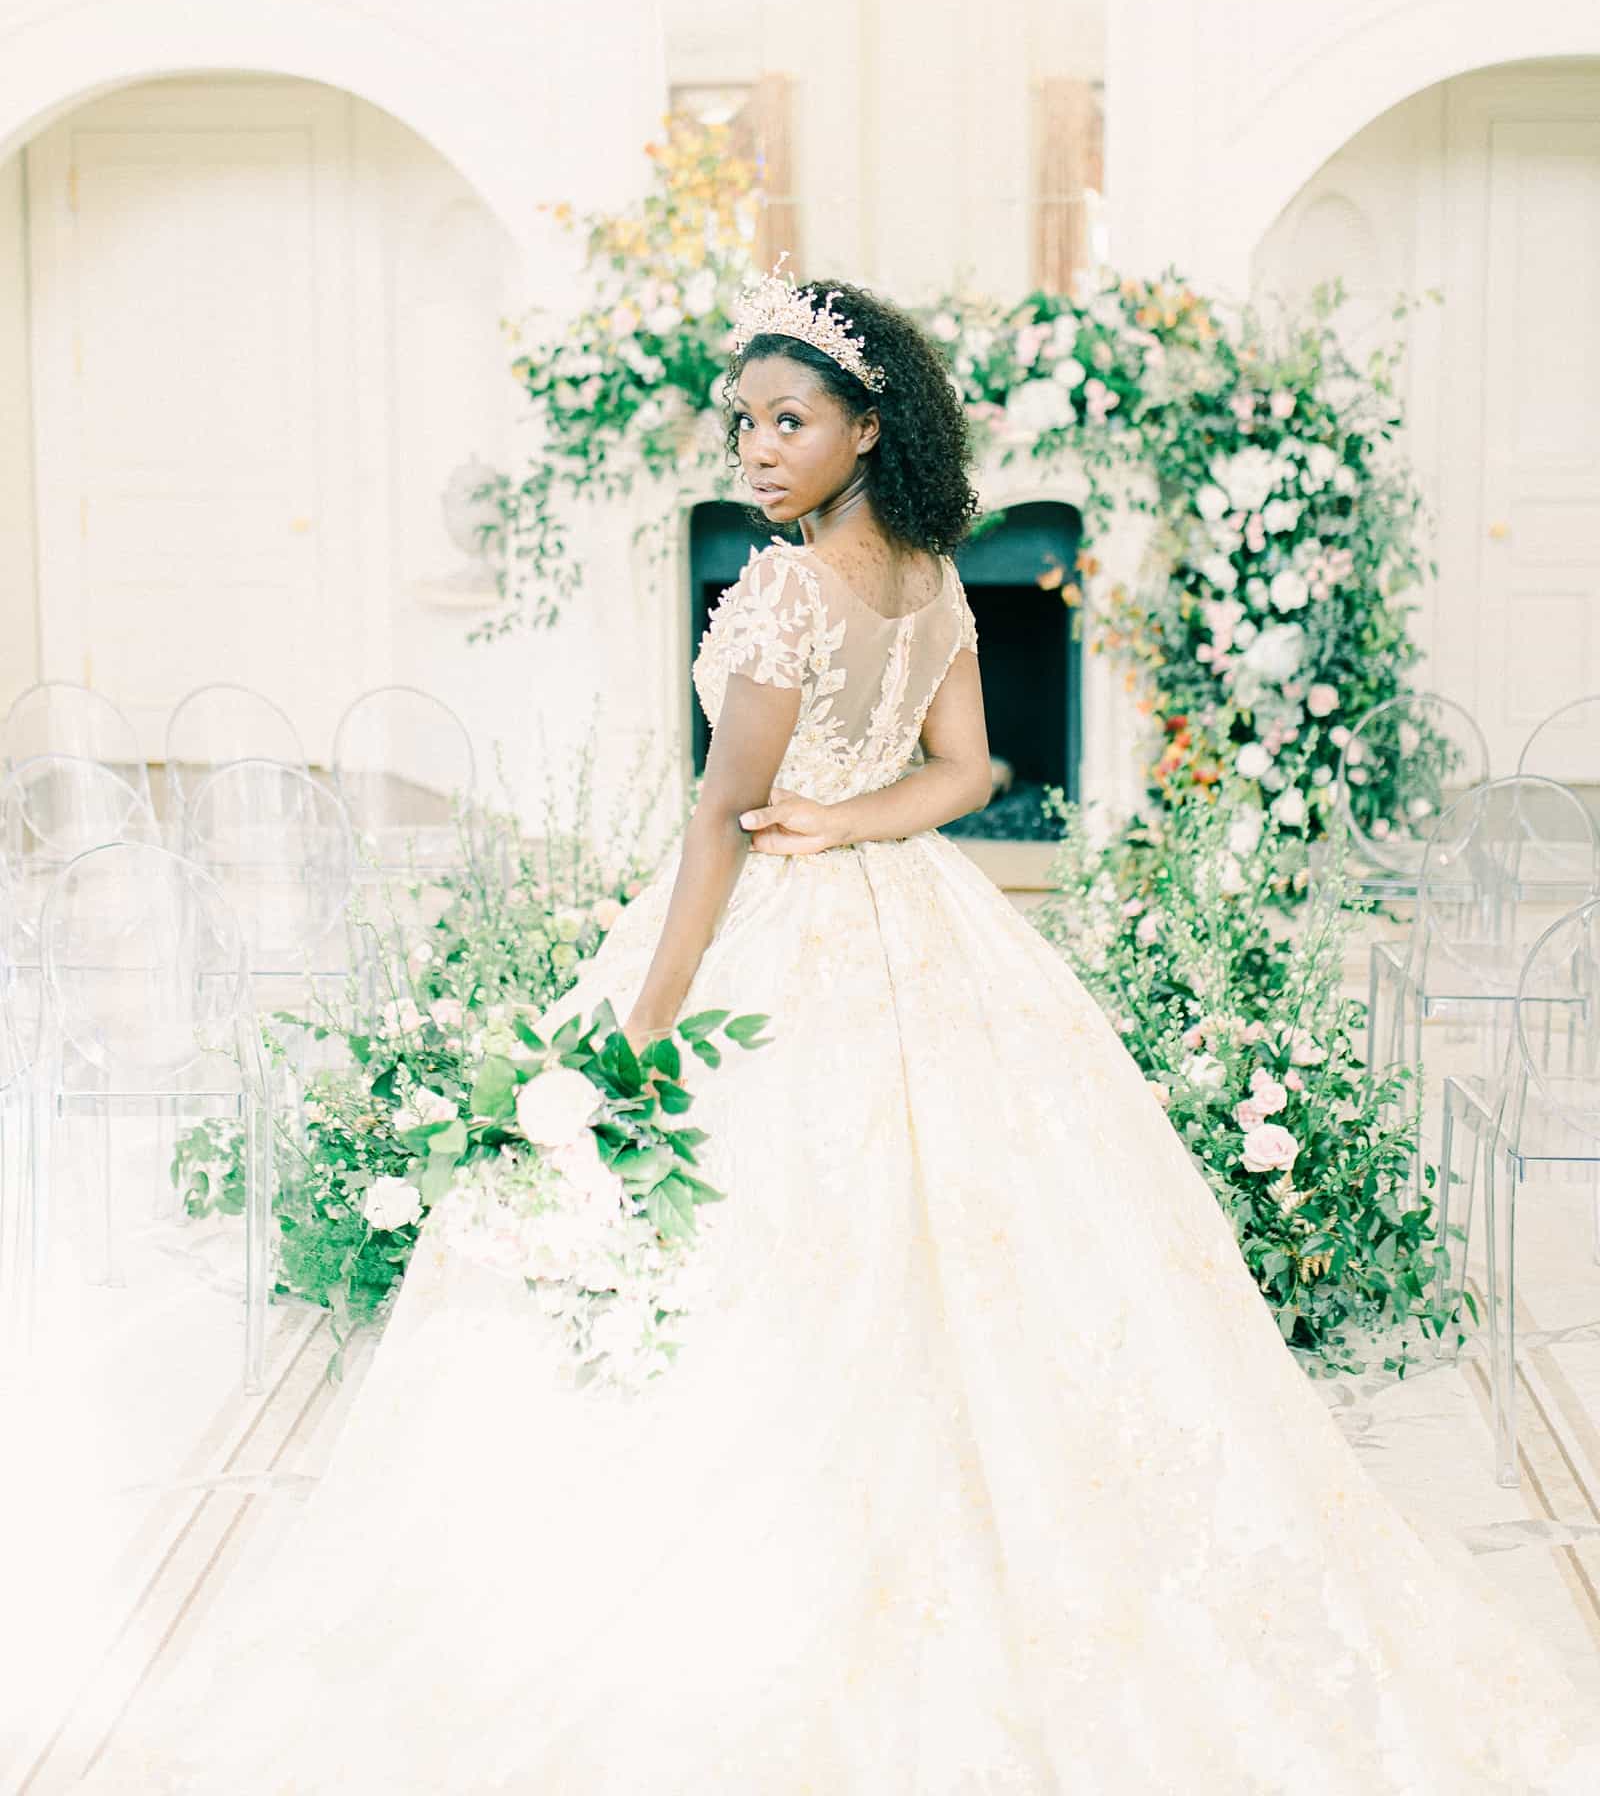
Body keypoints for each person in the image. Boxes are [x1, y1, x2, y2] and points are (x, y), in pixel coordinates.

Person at [91, 274, 1600, 1793]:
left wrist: (638, 1031)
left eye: (788, 418)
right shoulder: (933, 576)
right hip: (922, 920)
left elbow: (714, 824)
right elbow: (973, 772)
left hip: (782, 930)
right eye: (740, 419)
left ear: (866, 427)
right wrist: (862, 814)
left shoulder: (783, 595)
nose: (752, 446)